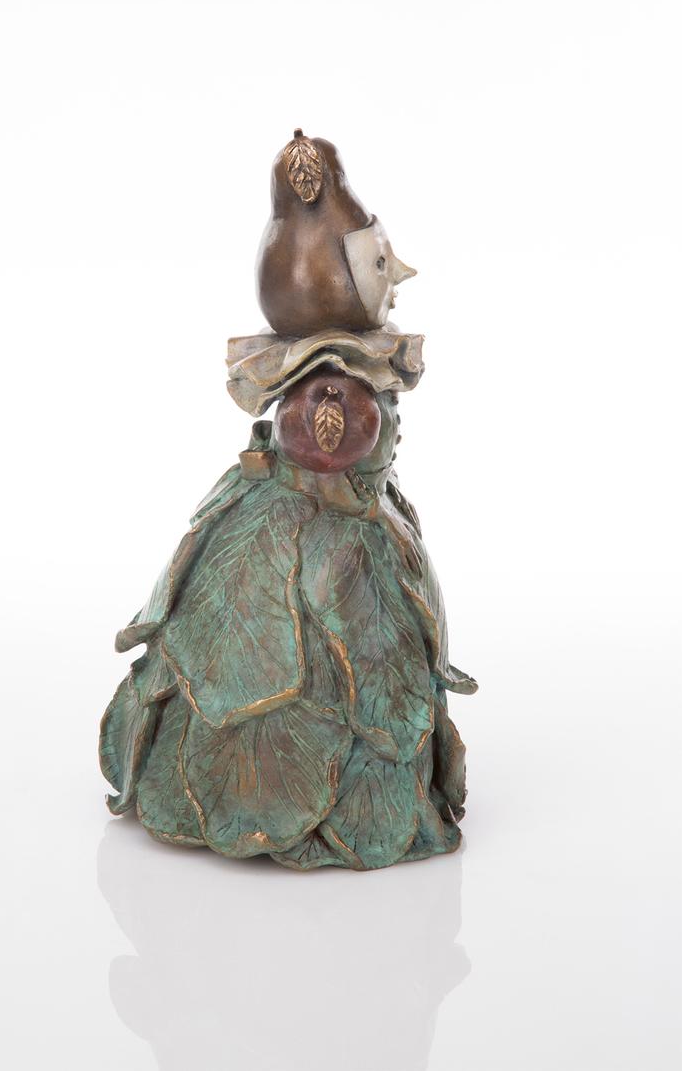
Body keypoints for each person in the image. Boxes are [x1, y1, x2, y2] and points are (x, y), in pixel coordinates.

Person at [99, 131, 477, 870]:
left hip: (349, 517)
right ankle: (261, 791)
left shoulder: (354, 424)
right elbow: (325, 433)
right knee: (263, 636)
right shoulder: (327, 400)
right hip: (303, 522)